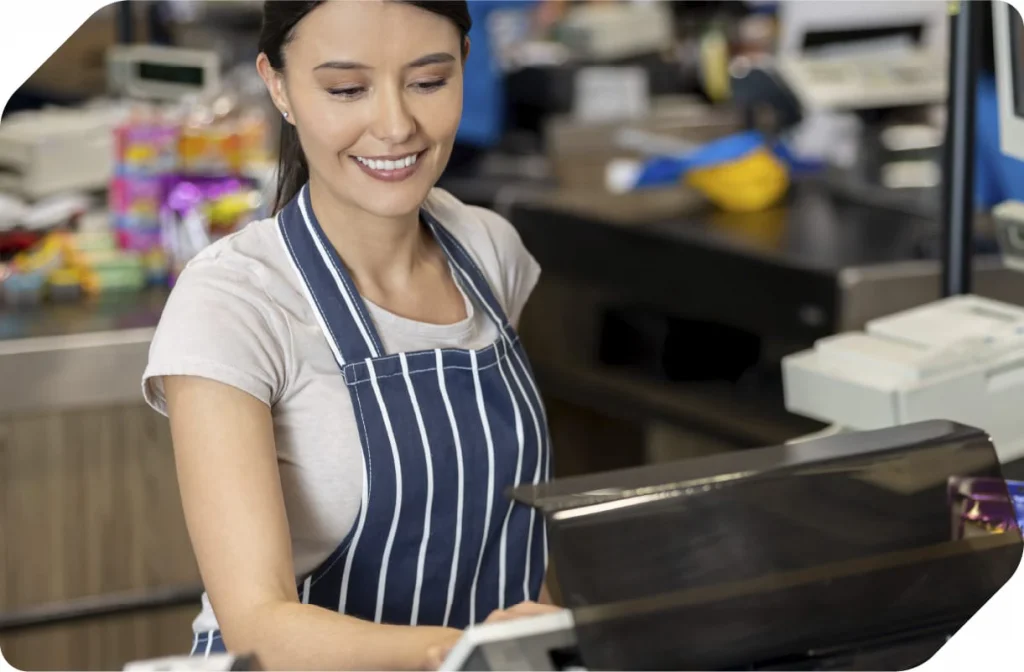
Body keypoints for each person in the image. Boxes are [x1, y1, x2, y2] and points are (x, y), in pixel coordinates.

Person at [141, 2, 558, 669]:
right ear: (278, 86)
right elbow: (258, 625)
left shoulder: (487, 249)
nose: (395, 125)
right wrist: (467, 653)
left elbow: (509, 547)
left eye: (428, 82)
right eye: (346, 89)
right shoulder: (233, 303)